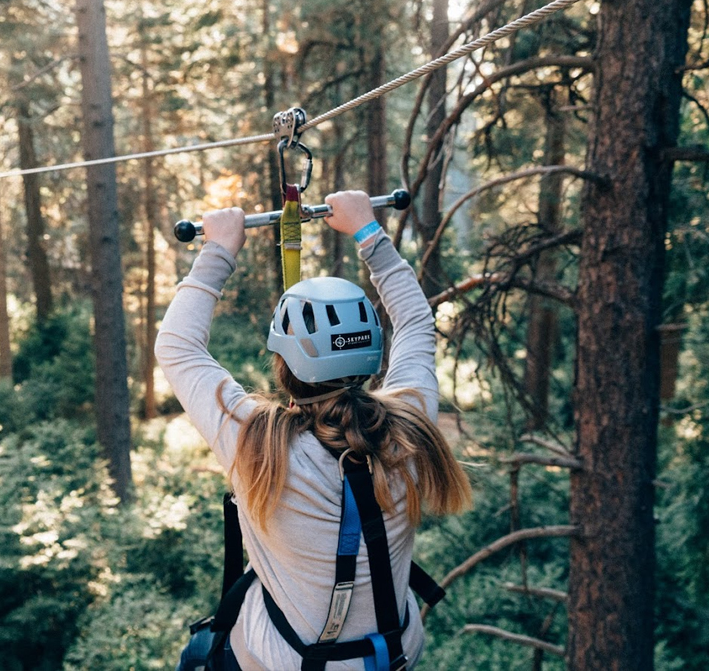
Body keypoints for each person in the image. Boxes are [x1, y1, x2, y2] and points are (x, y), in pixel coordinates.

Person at [156, 190, 472, 670]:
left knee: (198, 655)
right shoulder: (411, 425)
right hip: (392, 655)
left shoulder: (257, 443)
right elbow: (415, 322)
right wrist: (368, 231)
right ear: (371, 352)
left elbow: (178, 347)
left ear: (283, 363)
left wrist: (218, 248)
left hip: (281, 661)